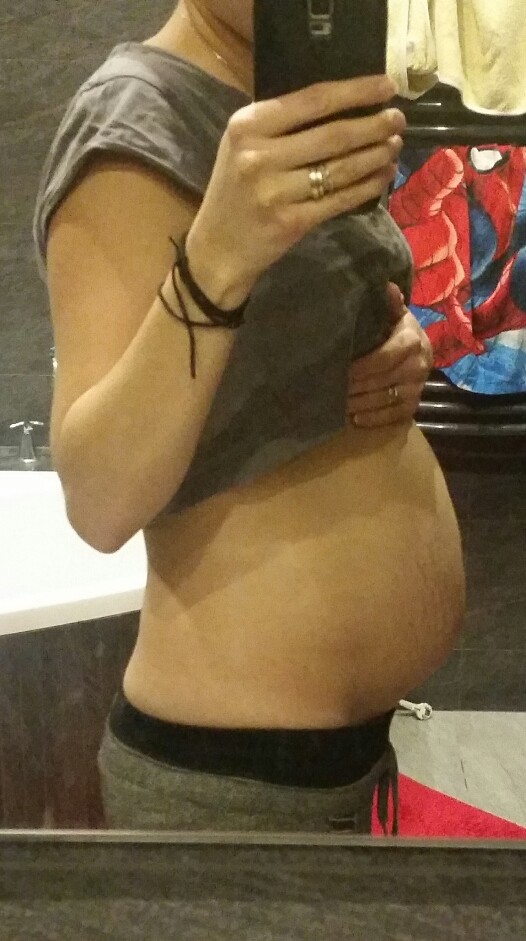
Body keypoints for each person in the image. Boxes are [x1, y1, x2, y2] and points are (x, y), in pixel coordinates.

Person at [34, 1, 465, 835]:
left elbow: (278, 344)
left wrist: (397, 341)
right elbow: (99, 500)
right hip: (233, 778)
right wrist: (219, 254)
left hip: (344, 758)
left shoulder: (289, 100)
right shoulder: (135, 115)